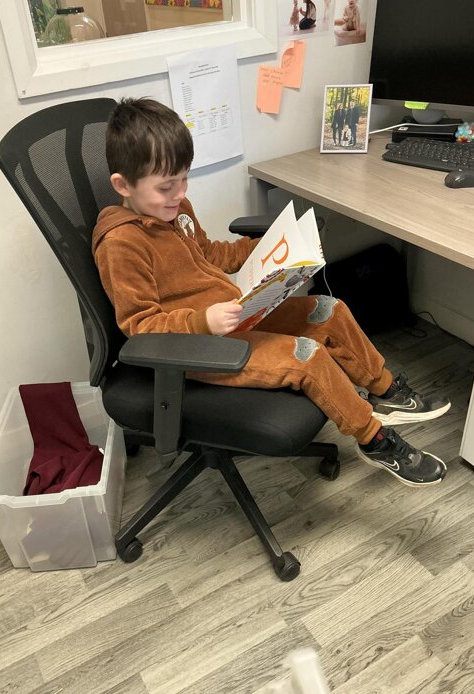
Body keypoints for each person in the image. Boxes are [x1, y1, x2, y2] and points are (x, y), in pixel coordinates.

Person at [92, 98, 451, 487]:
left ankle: (387, 391)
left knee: (327, 310)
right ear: (122, 185)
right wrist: (203, 321)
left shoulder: (175, 210)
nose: (179, 193)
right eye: (166, 186)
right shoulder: (121, 244)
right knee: (306, 356)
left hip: (232, 315)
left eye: (184, 179)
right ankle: (374, 439)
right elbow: (141, 327)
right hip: (194, 347)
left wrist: (271, 248)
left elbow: (209, 254)